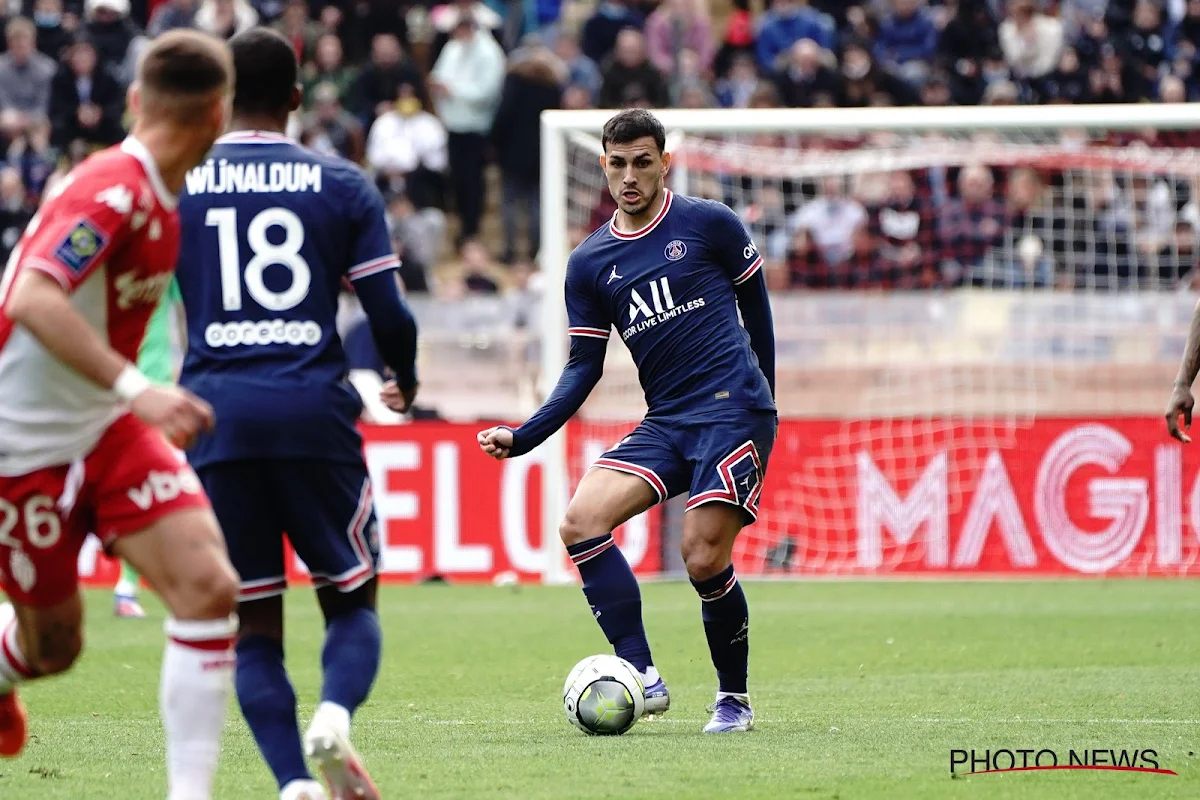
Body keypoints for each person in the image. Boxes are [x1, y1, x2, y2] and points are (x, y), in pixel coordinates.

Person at [174, 28, 418, 800]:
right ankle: (335, 716)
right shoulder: (341, 184)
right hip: (313, 410)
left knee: (251, 623)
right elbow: (390, 313)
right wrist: (401, 376)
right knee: (351, 596)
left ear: (216, 99)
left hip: (215, 415)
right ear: (296, 97)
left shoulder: (179, 181)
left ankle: (291, 785)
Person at [477, 109, 776, 734]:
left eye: (643, 162)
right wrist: (524, 434)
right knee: (580, 521)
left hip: (733, 411)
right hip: (667, 418)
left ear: (664, 163)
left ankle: (733, 700)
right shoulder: (589, 264)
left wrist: (764, 397)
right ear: (604, 166)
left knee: (700, 558)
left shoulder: (709, 225)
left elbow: (757, 309)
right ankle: (642, 673)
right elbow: (582, 366)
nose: (630, 176)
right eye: (618, 164)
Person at [0, 29, 238, 800]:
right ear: (218, 115)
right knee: (54, 648)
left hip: (103, 431)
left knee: (208, 587)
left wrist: (124, 402)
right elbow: (30, 297)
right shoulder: (112, 188)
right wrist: (140, 389)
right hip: (20, 449)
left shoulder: (165, 195)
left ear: (137, 99)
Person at [114, 278, 184, 619]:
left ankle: (127, 588)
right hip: (118, 387)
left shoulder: (166, 266)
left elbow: (184, 315)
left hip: (157, 389)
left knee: (151, 489)